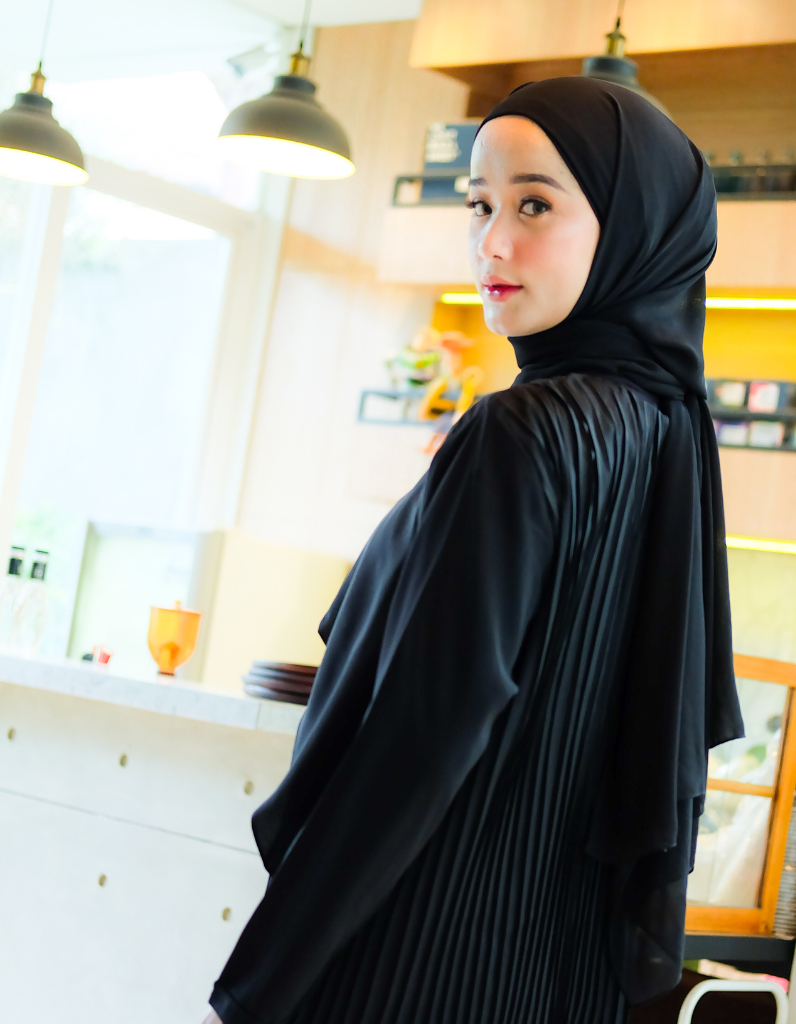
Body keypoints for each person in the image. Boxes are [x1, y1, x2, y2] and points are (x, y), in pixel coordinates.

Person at [203, 76, 743, 1024]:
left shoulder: (520, 431)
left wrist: (265, 979)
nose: (492, 242)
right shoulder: (666, 430)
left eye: (534, 204)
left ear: (629, 226)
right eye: (479, 204)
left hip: (416, 954)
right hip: (548, 973)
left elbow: (423, 732)